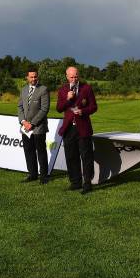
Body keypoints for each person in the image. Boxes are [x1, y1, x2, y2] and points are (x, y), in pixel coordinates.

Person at [57, 66, 98, 194]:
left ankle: (87, 183)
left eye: (76, 76)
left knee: (86, 156)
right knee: (71, 156)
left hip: (83, 127)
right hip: (69, 128)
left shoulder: (86, 88)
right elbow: (59, 108)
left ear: (78, 75)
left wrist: (83, 111)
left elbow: (94, 107)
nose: (74, 79)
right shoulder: (63, 90)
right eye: (71, 77)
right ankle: (75, 182)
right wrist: (67, 99)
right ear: (67, 76)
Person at [18, 67, 50, 184]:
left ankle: (44, 176)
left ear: (38, 77)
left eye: (35, 76)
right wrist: (23, 122)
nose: (33, 79)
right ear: (27, 77)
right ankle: (32, 174)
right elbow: (20, 107)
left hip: (38, 127)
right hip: (26, 128)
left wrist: (32, 123)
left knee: (41, 151)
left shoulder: (43, 89)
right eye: (31, 77)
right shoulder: (23, 90)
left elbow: (44, 109)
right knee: (28, 151)